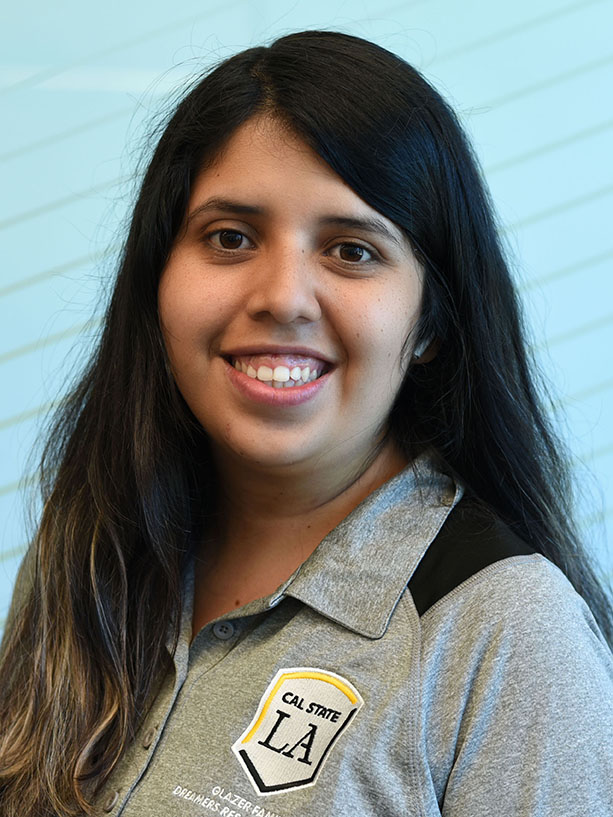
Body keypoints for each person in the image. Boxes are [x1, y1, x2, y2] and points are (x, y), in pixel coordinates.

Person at [0, 29, 611, 817]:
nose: (282, 296)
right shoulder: (91, 551)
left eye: (351, 250)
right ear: (157, 280)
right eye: (230, 237)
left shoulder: (506, 630)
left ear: (429, 322)